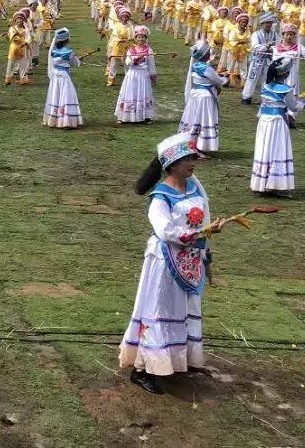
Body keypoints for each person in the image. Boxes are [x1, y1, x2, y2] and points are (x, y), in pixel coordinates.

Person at [120, 133, 224, 395]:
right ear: (173, 162)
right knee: (158, 308)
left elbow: (204, 219)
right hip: (164, 261)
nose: (193, 163)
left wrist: (206, 244)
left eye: (193, 158)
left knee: (183, 309)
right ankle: (143, 369)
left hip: (190, 260)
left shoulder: (195, 187)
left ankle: (179, 359)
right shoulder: (160, 196)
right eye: (188, 159)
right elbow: (165, 231)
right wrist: (202, 233)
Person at [250, 59, 305, 194]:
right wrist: (304, 102)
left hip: (264, 121)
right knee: (277, 149)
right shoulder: (286, 89)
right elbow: (294, 107)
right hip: (277, 123)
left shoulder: (266, 86)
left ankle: (261, 181)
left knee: (264, 148)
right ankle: (274, 182)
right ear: (286, 73)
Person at [178, 41, 227, 152]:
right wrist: (225, 78)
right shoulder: (206, 68)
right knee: (204, 119)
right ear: (205, 55)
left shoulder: (195, 66)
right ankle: (200, 145)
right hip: (205, 97)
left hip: (195, 95)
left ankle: (192, 142)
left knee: (194, 118)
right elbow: (218, 80)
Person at [115, 25, 157, 124]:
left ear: (146, 38)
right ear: (135, 38)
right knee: (130, 94)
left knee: (143, 94)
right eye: (139, 37)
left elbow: (151, 64)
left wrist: (153, 76)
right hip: (132, 75)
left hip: (143, 76)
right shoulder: (131, 50)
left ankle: (145, 116)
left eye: (143, 37)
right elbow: (128, 62)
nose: (141, 39)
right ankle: (125, 116)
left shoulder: (149, 50)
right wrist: (137, 59)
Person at [43, 28, 83, 128]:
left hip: (55, 76)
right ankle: (65, 120)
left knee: (55, 95)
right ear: (67, 40)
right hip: (64, 76)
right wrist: (78, 60)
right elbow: (75, 63)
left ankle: (54, 117)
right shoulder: (69, 52)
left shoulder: (53, 51)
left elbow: (56, 61)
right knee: (66, 96)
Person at [241, 12, 278, 104]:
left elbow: (278, 46)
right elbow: (255, 47)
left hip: (269, 61)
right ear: (263, 23)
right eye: (267, 22)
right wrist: (268, 46)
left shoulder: (275, 34)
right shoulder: (256, 34)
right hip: (257, 61)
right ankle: (246, 97)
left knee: (267, 80)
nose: (268, 24)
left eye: (270, 22)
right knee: (252, 78)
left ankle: (265, 98)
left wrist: (270, 49)